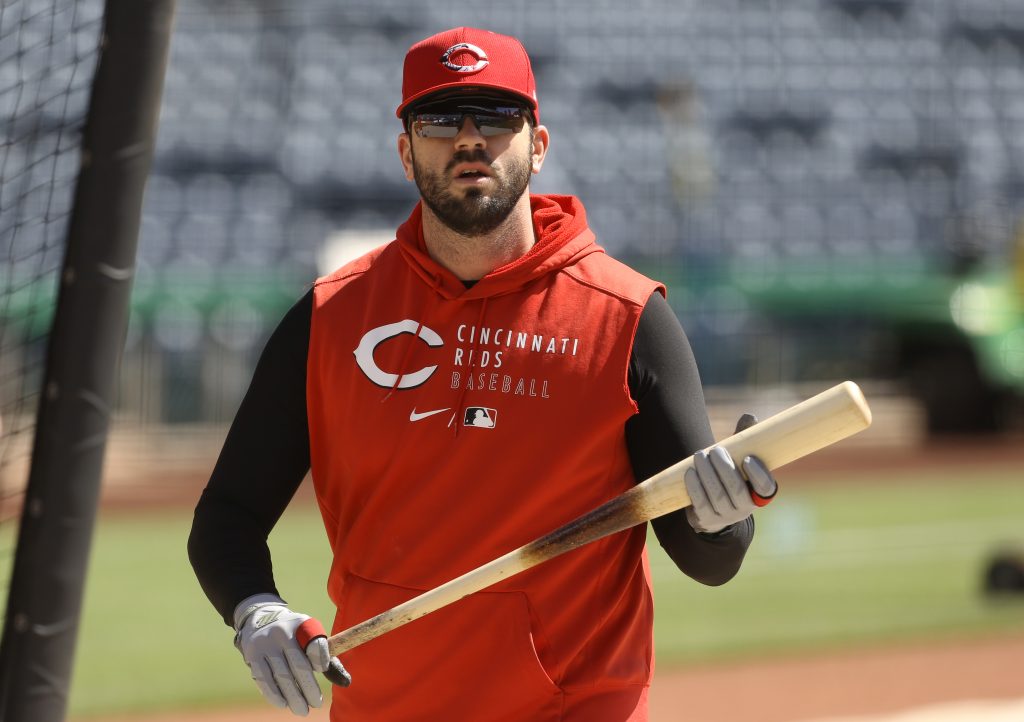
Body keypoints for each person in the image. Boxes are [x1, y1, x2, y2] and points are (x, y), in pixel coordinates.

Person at [188, 26, 779, 722]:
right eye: (440, 119)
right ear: (406, 153)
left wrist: (719, 520)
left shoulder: (627, 318)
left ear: (538, 146)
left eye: (497, 117)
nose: (470, 138)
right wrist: (257, 613)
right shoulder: (331, 317)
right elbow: (226, 518)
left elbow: (709, 559)